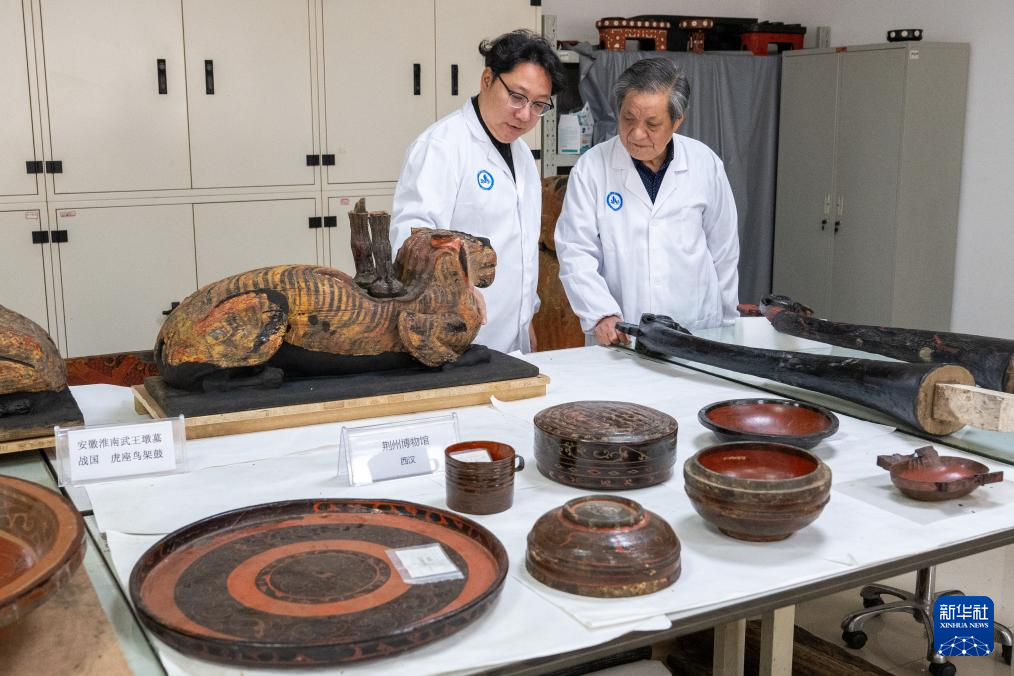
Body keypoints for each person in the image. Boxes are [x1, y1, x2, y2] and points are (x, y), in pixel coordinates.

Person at [390, 30, 565, 353]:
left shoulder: (523, 156)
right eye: (517, 97)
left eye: (539, 105)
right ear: (487, 80)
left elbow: (521, 250)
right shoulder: (442, 146)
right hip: (456, 335)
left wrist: (526, 319)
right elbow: (411, 239)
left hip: (513, 338)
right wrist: (456, 288)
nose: (525, 115)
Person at [555, 58, 740, 346]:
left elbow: (724, 251)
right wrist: (602, 314)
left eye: (652, 124)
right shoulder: (591, 168)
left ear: (677, 121)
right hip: (622, 334)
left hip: (696, 328)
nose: (637, 133)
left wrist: (727, 326)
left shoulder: (705, 164)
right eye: (628, 119)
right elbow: (575, 251)